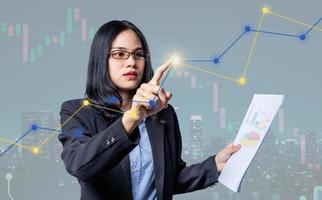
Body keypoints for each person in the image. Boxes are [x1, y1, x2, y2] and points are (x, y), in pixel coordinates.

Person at [58, 20, 241, 200]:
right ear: (101, 59)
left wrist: (214, 165)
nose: (131, 62)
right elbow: (79, 165)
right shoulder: (77, 111)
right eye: (120, 54)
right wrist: (131, 119)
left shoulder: (164, 113)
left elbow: (168, 179)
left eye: (138, 54)